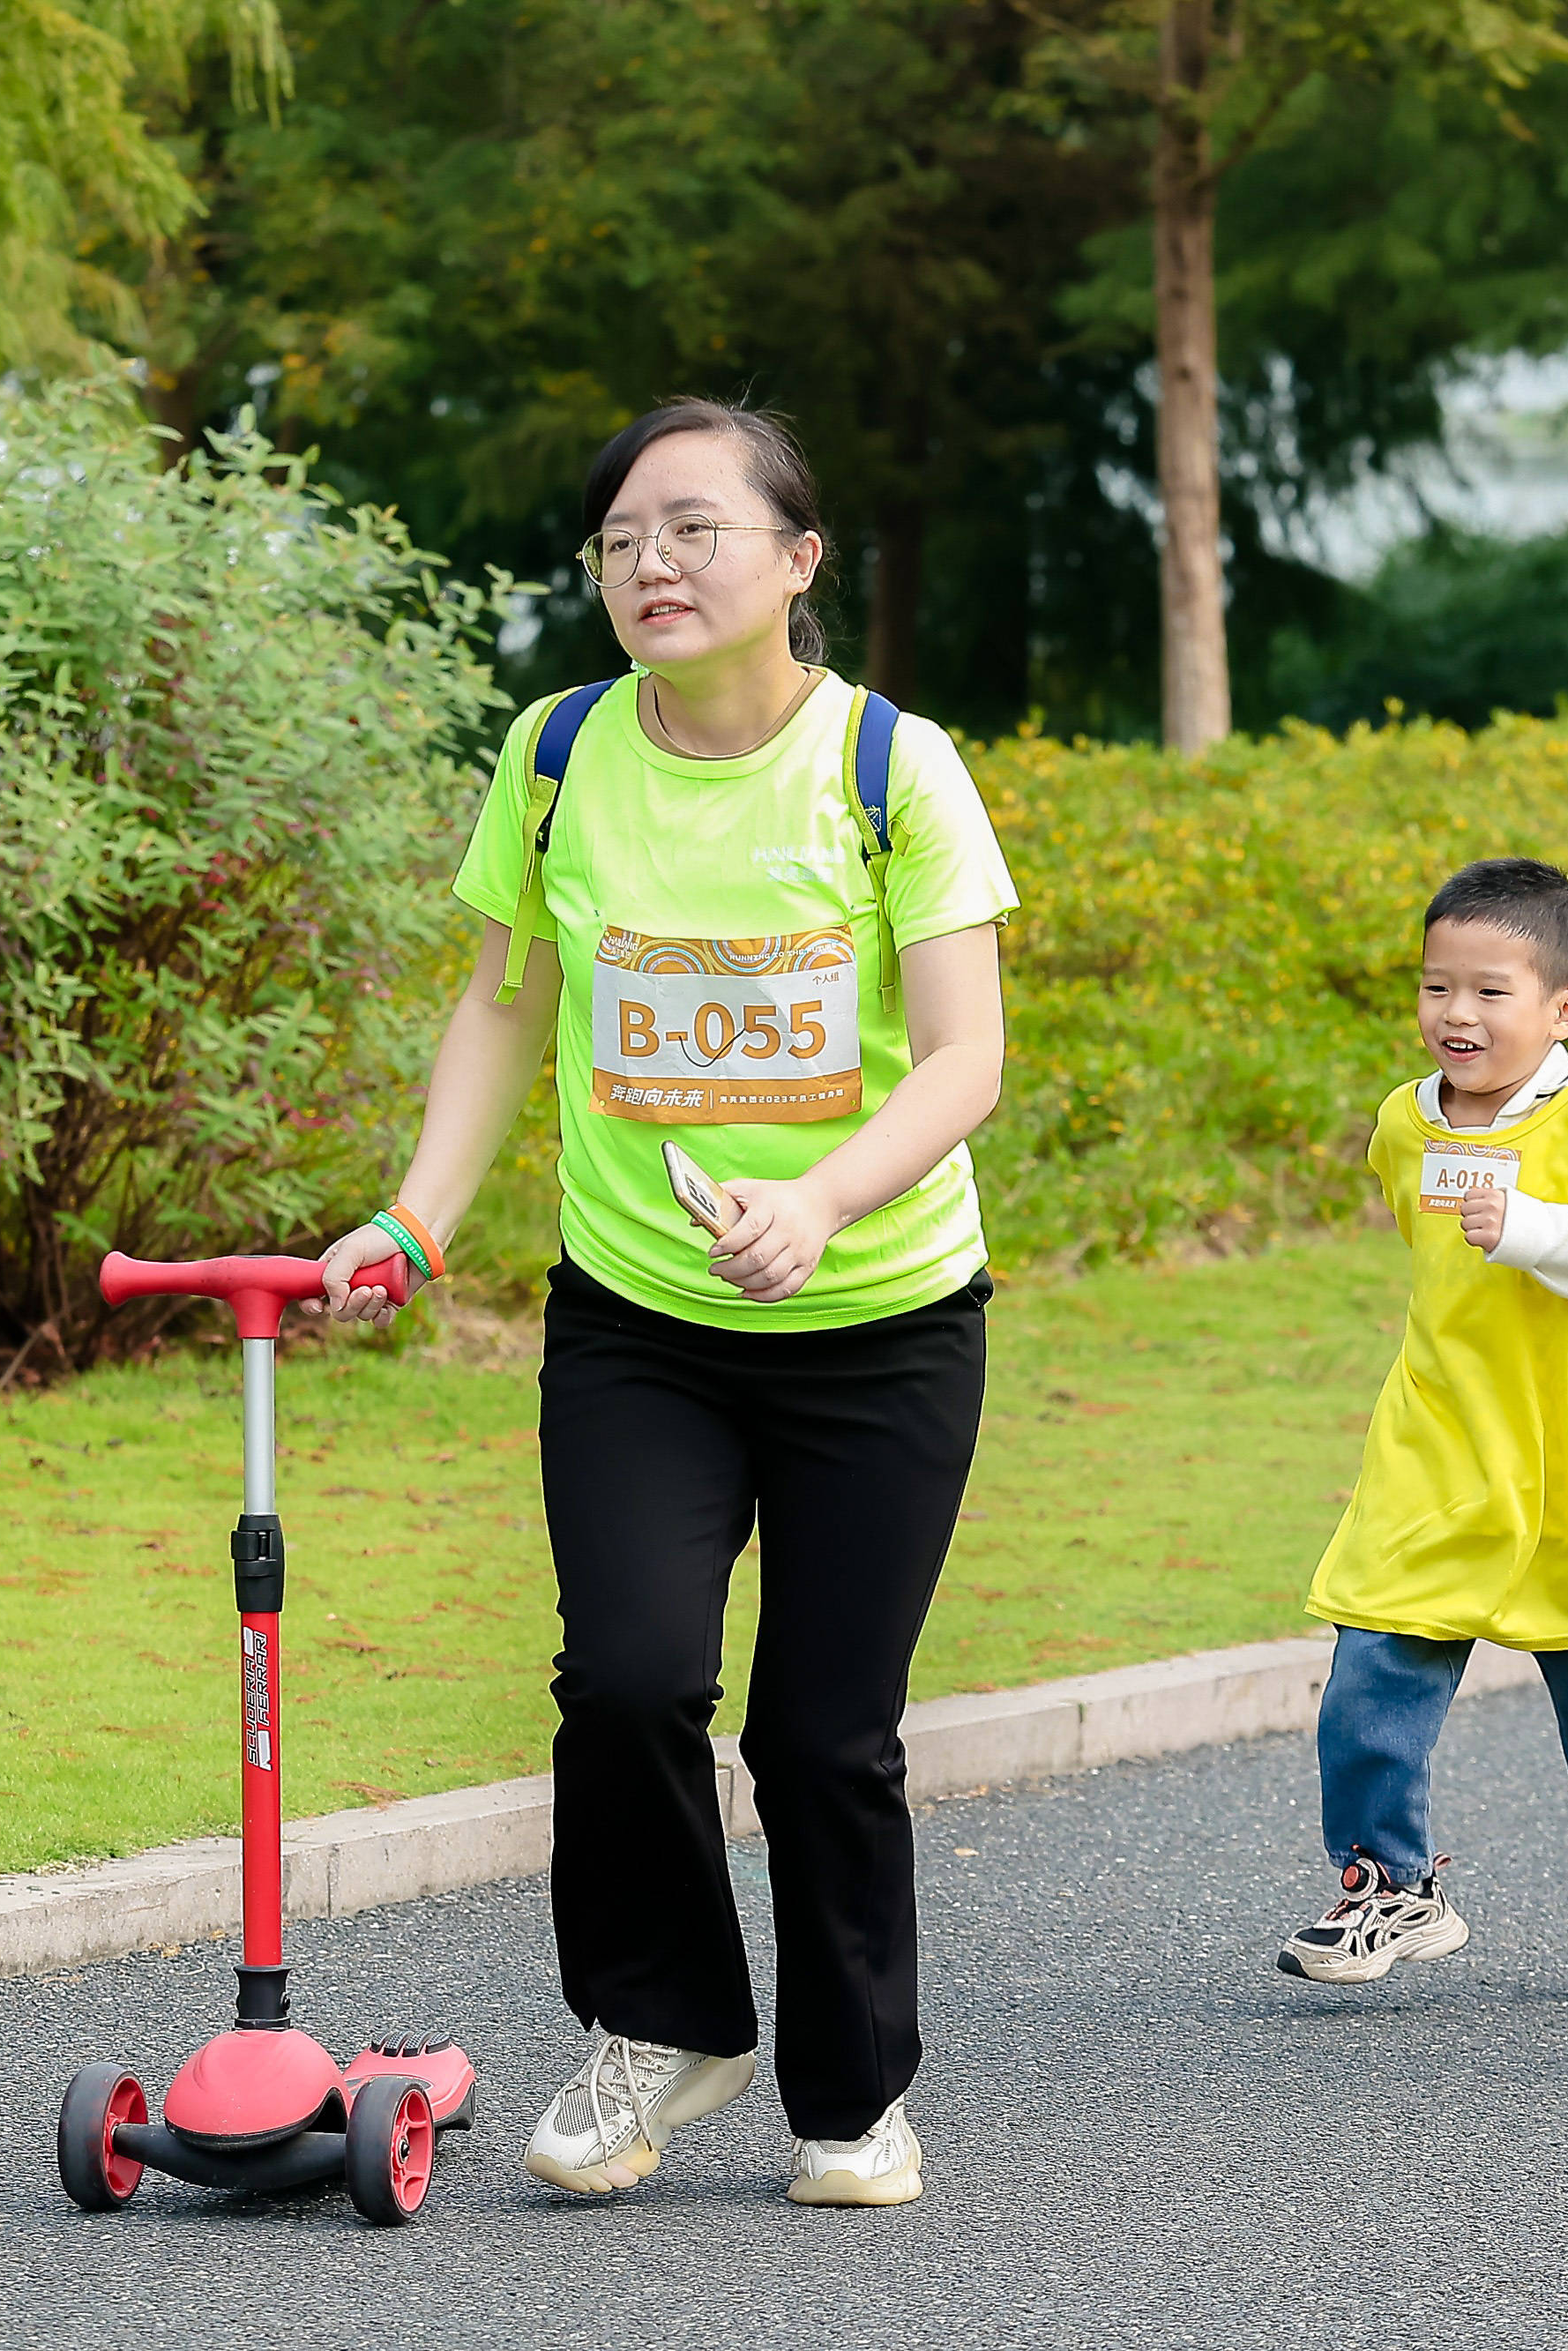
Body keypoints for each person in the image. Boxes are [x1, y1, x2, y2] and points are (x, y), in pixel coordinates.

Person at [314, 399, 1017, 2207]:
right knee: (623, 1677)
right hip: (640, 1314)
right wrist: (417, 1214)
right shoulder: (553, 756)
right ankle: (662, 2023)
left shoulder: (889, 765)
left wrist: (819, 1193)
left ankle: (849, 2096)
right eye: (620, 538)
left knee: (817, 1733)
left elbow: (963, 1059)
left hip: (879, 1315)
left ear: (795, 559)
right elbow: (499, 999)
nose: (650, 564)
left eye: (693, 529)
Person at [1275, 858, 1568, 2003]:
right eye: (1436, 987)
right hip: (1435, 1449)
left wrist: (1524, 1225)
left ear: (1565, 1007)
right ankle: (1388, 1881)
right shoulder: (1403, 1122)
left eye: (1489, 992)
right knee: (1372, 1669)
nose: (1456, 1014)